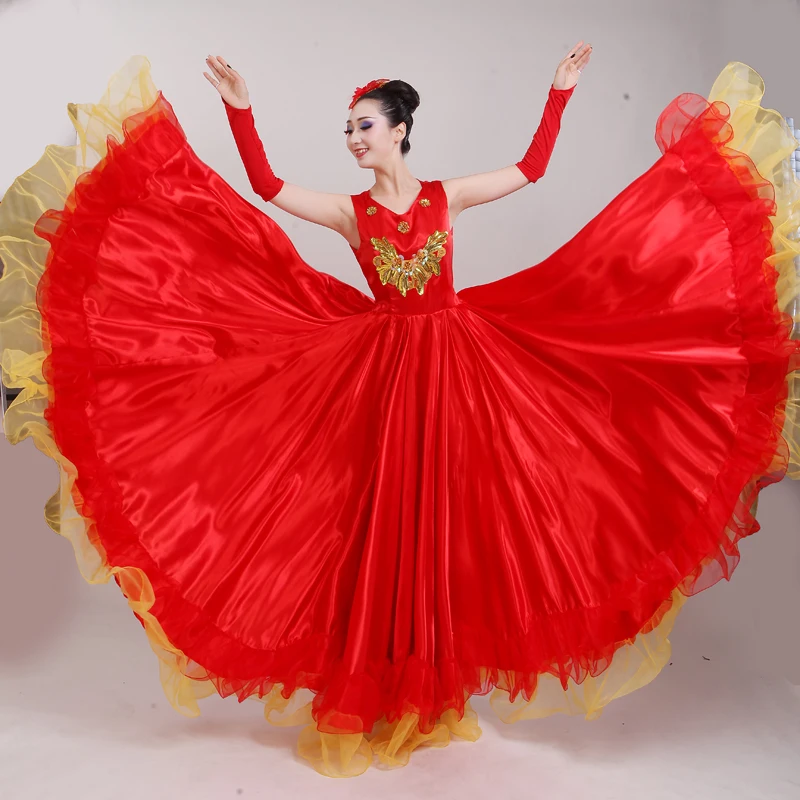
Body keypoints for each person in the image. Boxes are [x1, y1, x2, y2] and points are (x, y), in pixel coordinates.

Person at [1, 47, 799, 780]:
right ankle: (382, 674)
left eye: (365, 127)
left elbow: (531, 168)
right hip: (381, 374)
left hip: (456, 363)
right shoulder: (353, 213)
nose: (353, 139)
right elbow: (268, 189)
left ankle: (433, 672)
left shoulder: (448, 196)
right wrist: (240, 110)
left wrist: (558, 96)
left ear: (400, 131)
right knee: (380, 515)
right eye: (348, 129)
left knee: (450, 517)